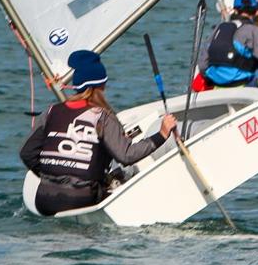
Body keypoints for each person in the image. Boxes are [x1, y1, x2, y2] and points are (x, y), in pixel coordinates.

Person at [20, 50, 177, 216]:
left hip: (44, 200)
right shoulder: (103, 116)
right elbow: (126, 156)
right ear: (101, 85)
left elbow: (26, 153)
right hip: (80, 200)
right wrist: (162, 133)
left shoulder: (51, 111)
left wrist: (50, 177)